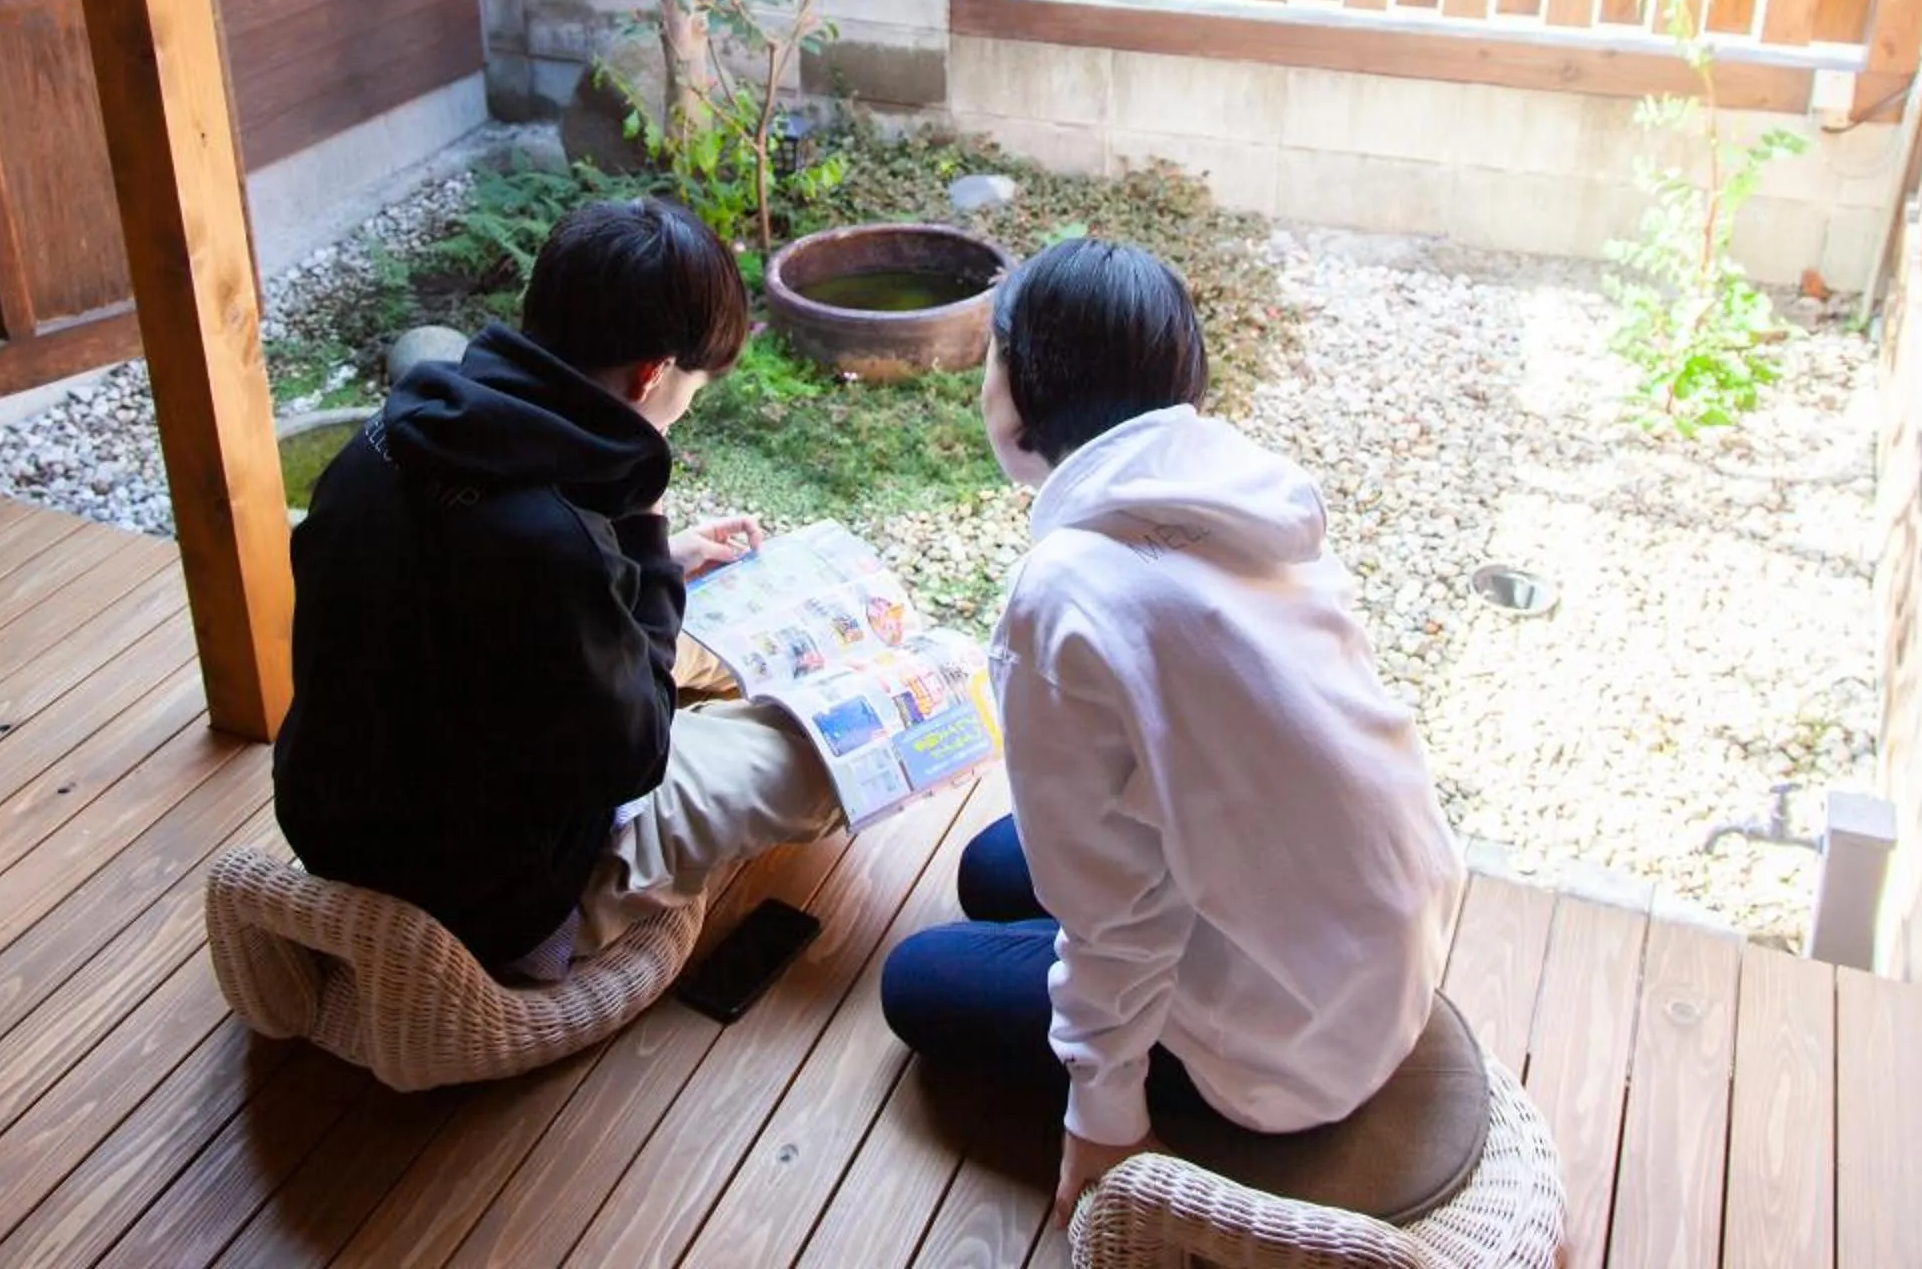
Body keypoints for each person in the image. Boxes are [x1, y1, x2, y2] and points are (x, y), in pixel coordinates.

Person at [877, 238, 1462, 1223]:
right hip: (1375, 946)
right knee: (989, 866)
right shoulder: (1241, 491)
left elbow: (1115, 915)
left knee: (917, 981)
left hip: (1287, 1048)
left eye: (991, 355)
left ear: (1019, 393)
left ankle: (1192, 1060)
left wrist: (1102, 1113)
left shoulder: (1065, 591)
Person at [272, 195, 842, 981]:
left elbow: (471, 589)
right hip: (493, 905)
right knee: (817, 760)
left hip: (336, 830)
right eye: (691, 392)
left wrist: (649, 560)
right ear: (652, 373)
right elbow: (636, 757)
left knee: (694, 654)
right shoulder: (552, 543)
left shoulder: (391, 438)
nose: (681, 412)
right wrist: (646, 541)